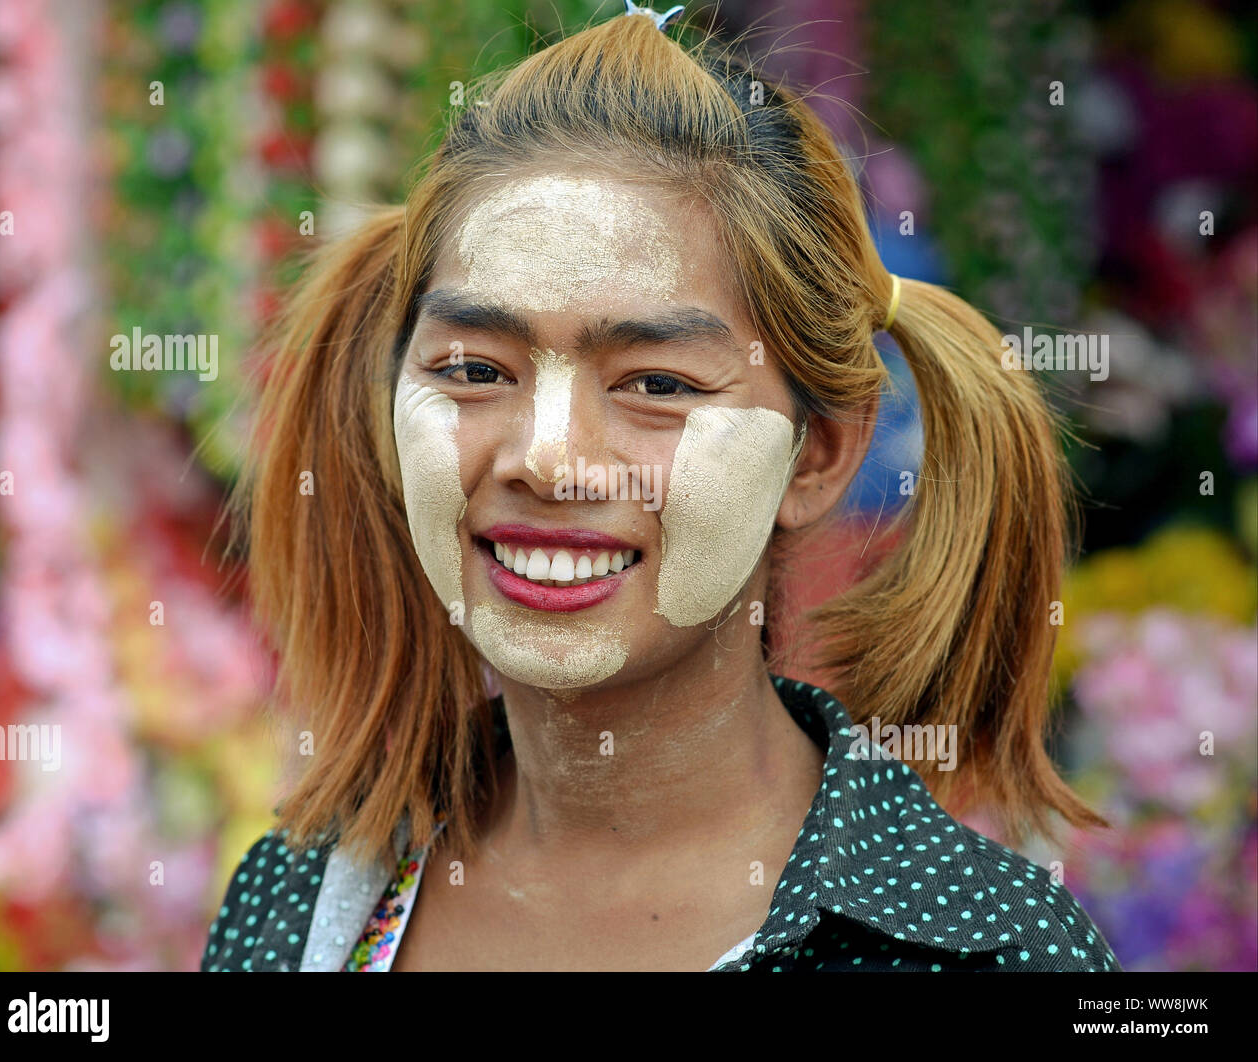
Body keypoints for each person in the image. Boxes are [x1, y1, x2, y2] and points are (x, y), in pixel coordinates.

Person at [201, 4, 1120, 972]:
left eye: (657, 385)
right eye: (474, 369)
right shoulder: (295, 905)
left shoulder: (979, 952)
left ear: (816, 456)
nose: (545, 458)